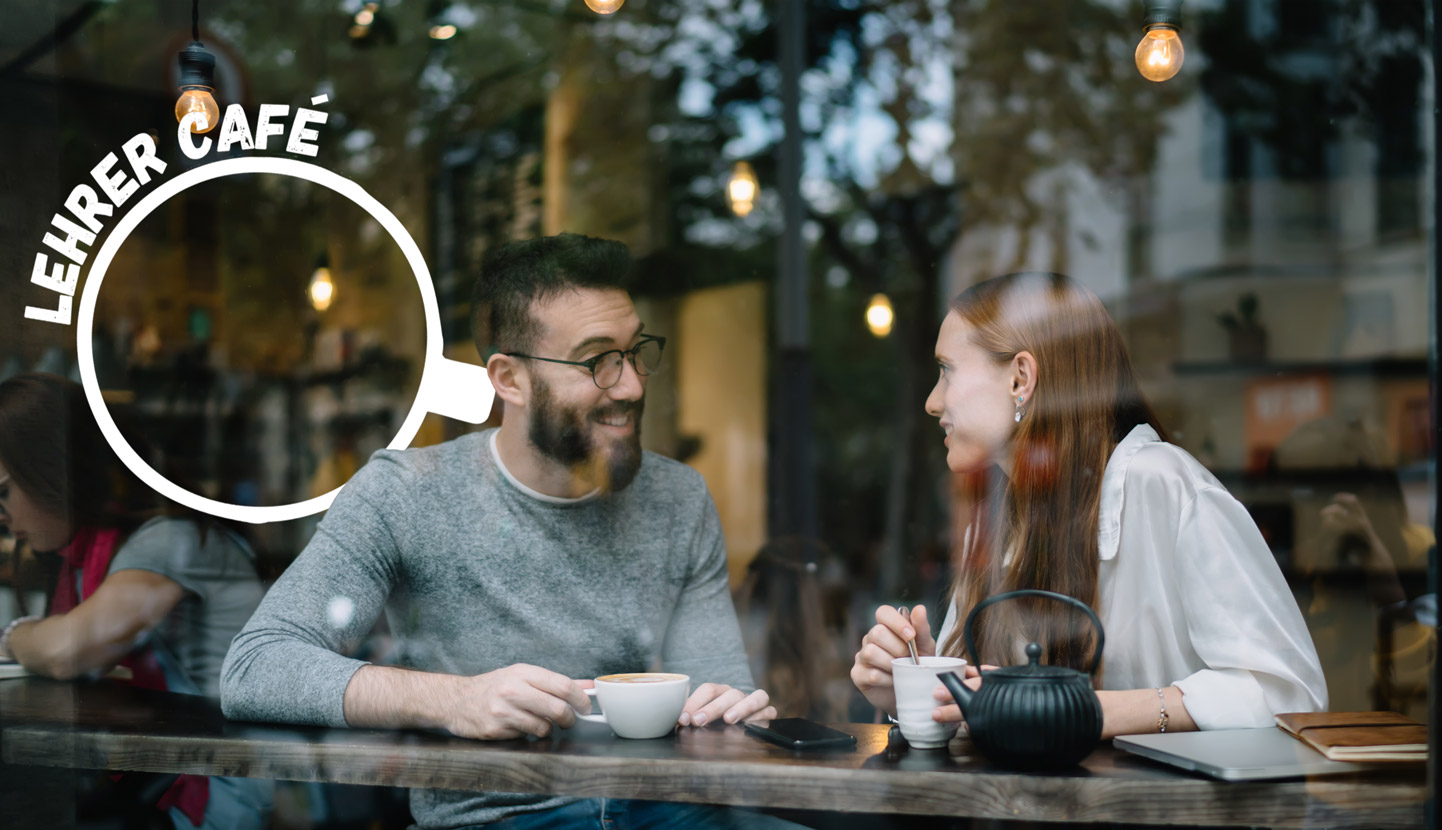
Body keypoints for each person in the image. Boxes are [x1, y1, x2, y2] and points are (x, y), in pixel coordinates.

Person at [221, 233, 792, 830]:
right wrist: (454, 700)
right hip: (499, 817)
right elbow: (256, 667)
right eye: (598, 360)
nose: (631, 385)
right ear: (509, 380)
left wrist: (728, 709)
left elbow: (724, 699)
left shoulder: (679, 499)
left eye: (635, 350)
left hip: (673, 813)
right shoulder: (406, 492)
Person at [850, 272, 1327, 740]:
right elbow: (992, 723)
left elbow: (1289, 691)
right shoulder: (999, 516)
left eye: (946, 370)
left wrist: (1084, 710)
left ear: (1021, 378)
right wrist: (924, 683)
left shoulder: (1160, 483)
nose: (933, 402)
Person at [0, 372, 271, 830]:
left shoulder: (168, 540)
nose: (2, 516)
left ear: (53, 468)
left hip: (219, 798)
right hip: (172, 782)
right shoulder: (96, 552)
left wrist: (15, 636)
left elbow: (69, 650)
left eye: (4, 491)